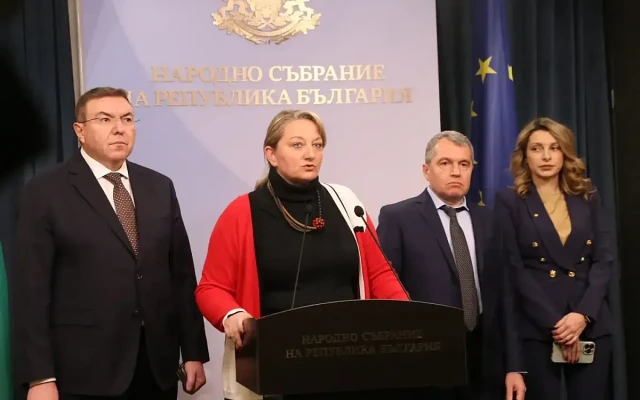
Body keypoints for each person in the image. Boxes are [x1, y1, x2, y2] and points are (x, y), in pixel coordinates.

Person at [195, 109, 409, 400]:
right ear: (271, 154)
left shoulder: (347, 203)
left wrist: (406, 316)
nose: (310, 154)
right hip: (275, 368)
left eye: (317, 145)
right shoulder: (242, 212)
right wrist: (232, 314)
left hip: (350, 360)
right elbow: (211, 288)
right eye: (297, 145)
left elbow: (379, 272)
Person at [12, 87, 210, 399]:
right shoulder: (46, 191)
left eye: (127, 119)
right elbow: (31, 292)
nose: (119, 128)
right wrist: (40, 377)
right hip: (83, 370)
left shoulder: (159, 186)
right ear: (79, 131)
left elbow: (181, 276)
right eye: (105, 119)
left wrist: (194, 351)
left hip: (155, 367)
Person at [377, 131, 503, 400]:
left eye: (464, 164)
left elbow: (504, 294)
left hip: (485, 359)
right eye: (445, 163)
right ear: (426, 170)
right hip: (425, 358)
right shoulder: (398, 218)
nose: (456, 172)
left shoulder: (490, 219)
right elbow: (387, 294)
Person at [497, 118, 613, 400]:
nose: (546, 156)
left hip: (589, 324)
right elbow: (514, 270)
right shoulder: (510, 201)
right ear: (525, 156)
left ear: (565, 153)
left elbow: (604, 259)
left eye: (554, 147)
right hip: (538, 328)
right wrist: (559, 326)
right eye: (537, 148)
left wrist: (582, 316)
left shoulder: (587, 196)